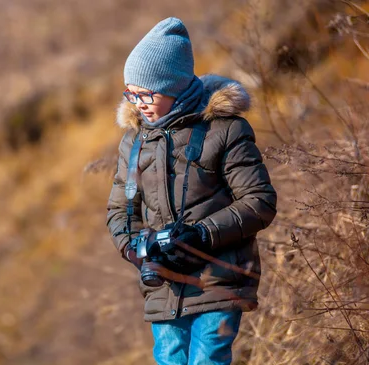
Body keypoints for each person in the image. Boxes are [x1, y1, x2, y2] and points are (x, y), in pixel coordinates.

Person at [106, 17, 277, 365]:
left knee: (207, 361)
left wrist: (200, 235)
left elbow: (259, 201)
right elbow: (119, 212)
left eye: (146, 93)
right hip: (163, 286)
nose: (137, 102)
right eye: (131, 93)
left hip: (219, 278)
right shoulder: (134, 143)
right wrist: (138, 250)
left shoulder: (225, 130)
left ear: (174, 86)